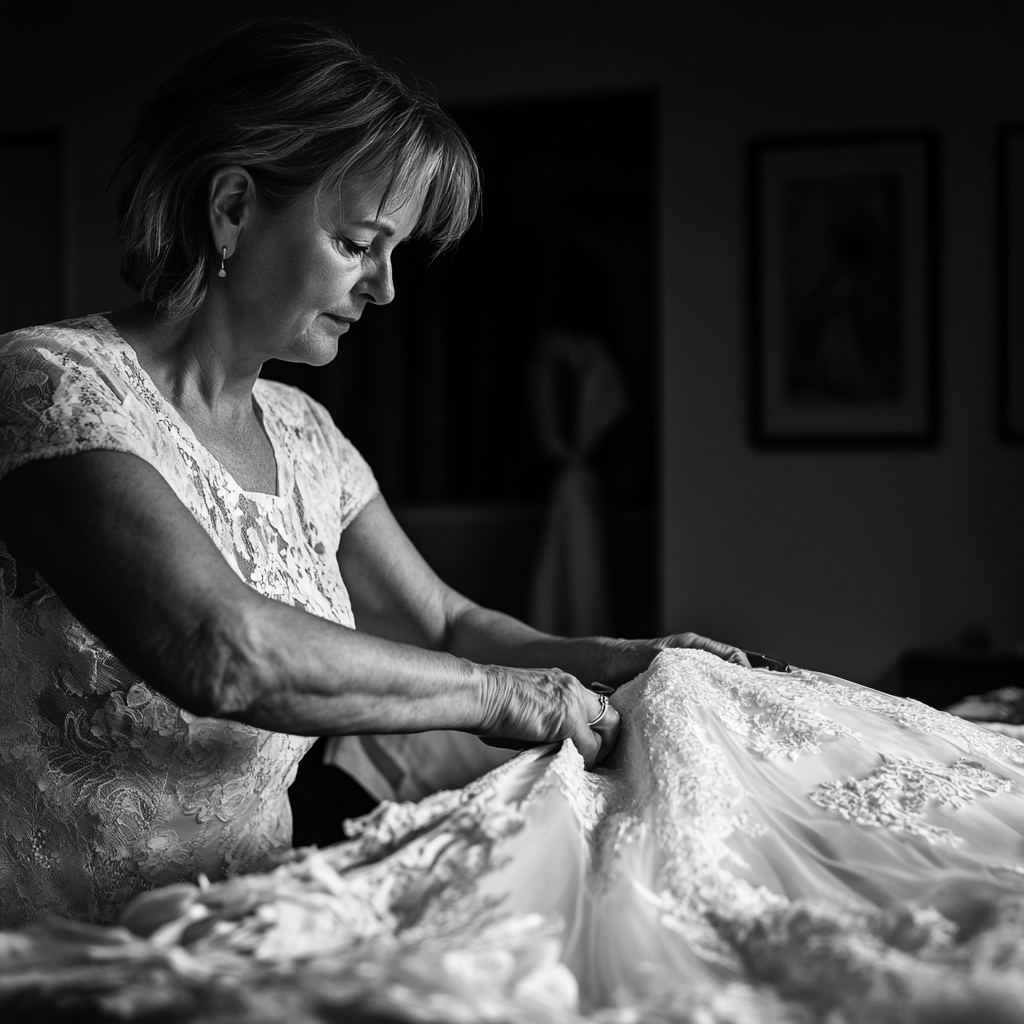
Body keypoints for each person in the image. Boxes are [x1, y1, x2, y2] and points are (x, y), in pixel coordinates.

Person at [0, 18, 747, 929]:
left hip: (244, 939)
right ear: (232, 209)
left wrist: (620, 658)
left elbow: (446, 620)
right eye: (359, 244)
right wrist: (505, 700)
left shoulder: (308, 435)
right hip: (52, 952)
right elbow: (220, 647)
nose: (386, 287)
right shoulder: (49, 386)